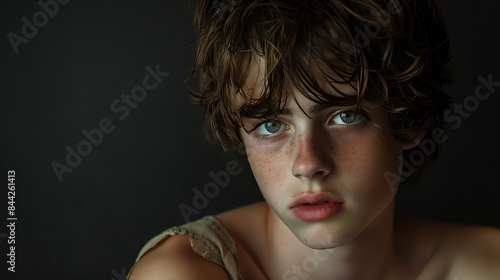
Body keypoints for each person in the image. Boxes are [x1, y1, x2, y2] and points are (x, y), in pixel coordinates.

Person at [127, 0, 500, 279]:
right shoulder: (181, 273)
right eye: (271, 126)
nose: (307, 163)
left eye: (344, 116)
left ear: (409, 120)